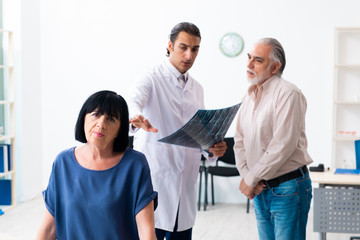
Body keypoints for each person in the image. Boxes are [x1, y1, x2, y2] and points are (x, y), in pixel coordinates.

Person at [128, 22, 227, 240]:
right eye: (183, 47)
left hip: (186, 182)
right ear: (170, 46)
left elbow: (199, 132)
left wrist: (212, 149)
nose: (189, 55)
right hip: (155, 177)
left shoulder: (197, 88)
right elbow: (133, 101)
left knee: (182, 232)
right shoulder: (151, 77)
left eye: (195, 49)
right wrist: (135, 118)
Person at [36, 90, 158, 240]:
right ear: (83, 118)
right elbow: (49, 229)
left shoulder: (135, 165)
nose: (101, 124)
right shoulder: (63, 163)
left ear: (120, 129)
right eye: (95, 114)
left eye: (111, 119)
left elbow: (147, 233)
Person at [233, 38, 313, 240]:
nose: (249, 64)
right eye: (249, 58)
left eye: (257, 60)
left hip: (288, 189)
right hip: (261, 189)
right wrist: (247, 177)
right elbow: (240, 140)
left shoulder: (288, 93)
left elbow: (282, 146)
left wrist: (251, 179)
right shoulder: (249, 95)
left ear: (275, 67)